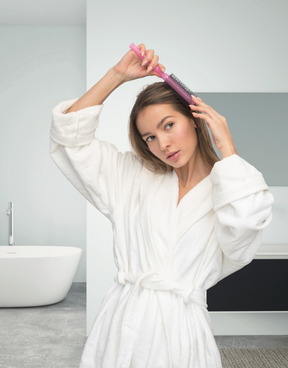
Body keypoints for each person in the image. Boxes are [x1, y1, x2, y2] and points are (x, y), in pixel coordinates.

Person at [50, 44, 273, 368]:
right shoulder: (131, 177)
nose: (162, 143)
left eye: (168, 125)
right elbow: (70, 136)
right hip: (121, 325)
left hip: (181, 332)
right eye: (149, 137)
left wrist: (228, 147)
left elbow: (242, 237)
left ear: (195, 119)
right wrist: (116, 75)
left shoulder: (229, 189)